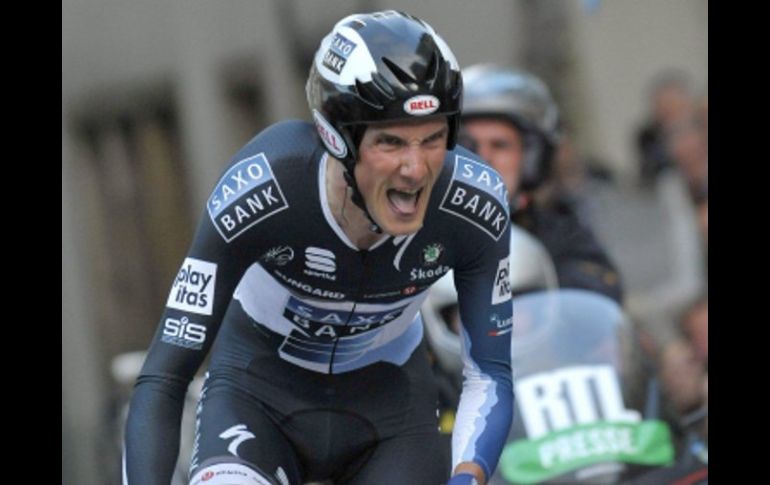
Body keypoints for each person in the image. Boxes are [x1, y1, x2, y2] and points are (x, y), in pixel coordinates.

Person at [123, 10, 513, 485]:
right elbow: (165, 376)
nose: (416, 169)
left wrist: (467, 477)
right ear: (337, 139)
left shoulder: (474, 203)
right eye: (390, 142)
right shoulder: (263, 186)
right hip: (257, 397)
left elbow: (488, 373)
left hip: (388, 414)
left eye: (432, 140)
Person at [459, 63, 623, 303]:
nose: (483, 158)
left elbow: (599, 301)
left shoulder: (562, 233)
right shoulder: (414, 232)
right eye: (468, 146)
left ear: (530, 160)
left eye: (500, 145)